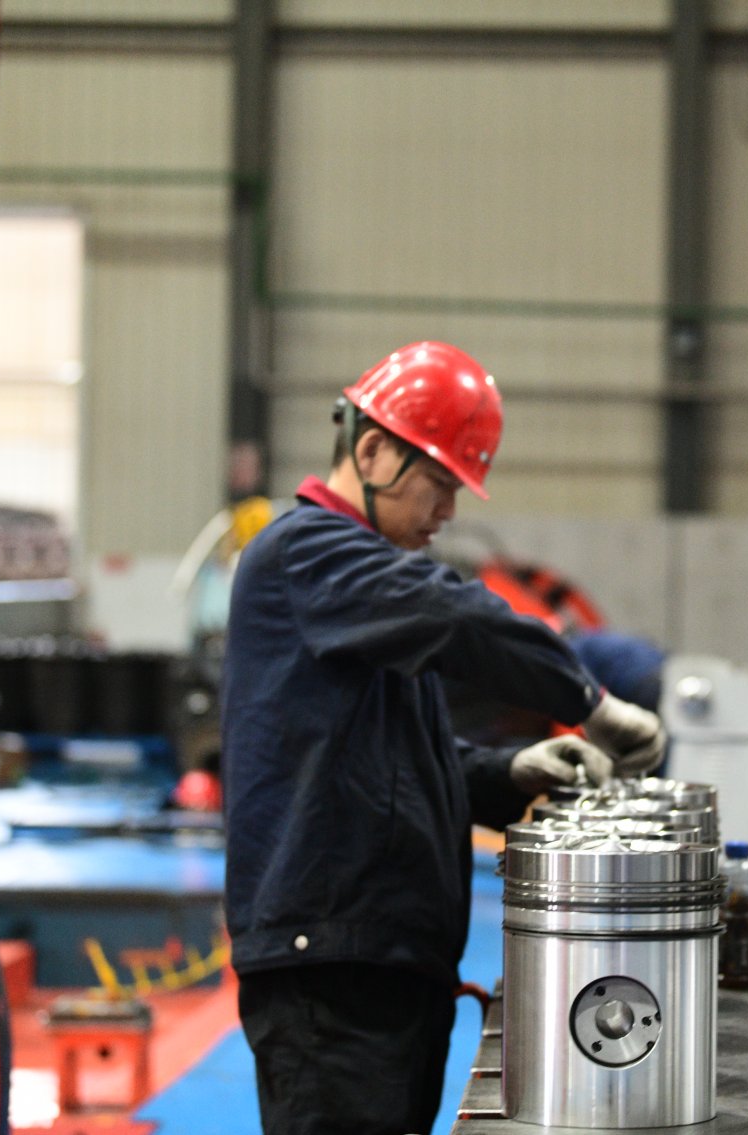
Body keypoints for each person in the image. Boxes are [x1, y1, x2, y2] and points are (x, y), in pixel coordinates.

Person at [221, 341, 667, 1135]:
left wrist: (513, 769)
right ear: (372, 452)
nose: (449, 511)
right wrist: (589, 701)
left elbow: (393, 764)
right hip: (333, 980)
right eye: (441, 482)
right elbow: (461, 615)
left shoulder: (362, 602)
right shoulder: (306, 553)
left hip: (385, 971)